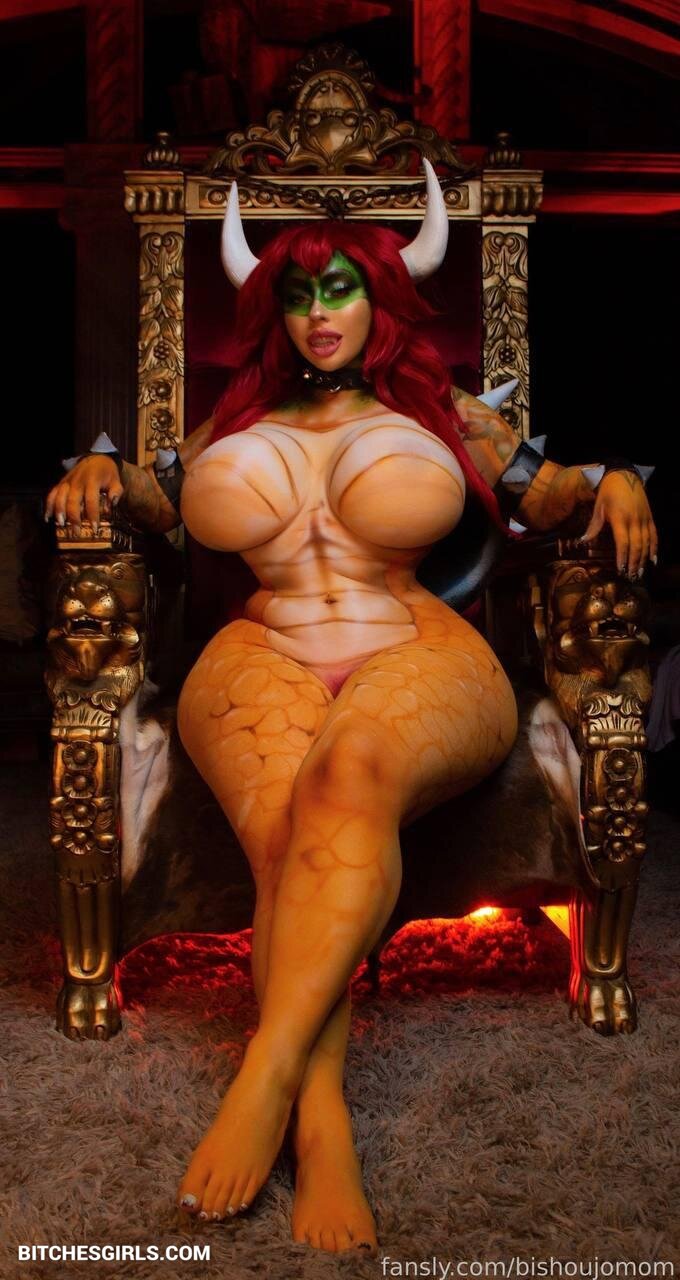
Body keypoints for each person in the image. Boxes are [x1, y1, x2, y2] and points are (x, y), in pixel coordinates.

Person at [45, 164, 657, 1256]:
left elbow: (548, 490)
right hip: (260, 643)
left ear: (380, 300)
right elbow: (153, 495)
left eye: (340, 290)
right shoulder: (234, 417)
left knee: (349, 772)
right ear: (273, 311)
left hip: (415, 640)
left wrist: (613, 475)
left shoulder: (442, 411)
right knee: (286, 834)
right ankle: (322, 1114)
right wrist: (97, 467)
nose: (319, 314)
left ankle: (267, 1069)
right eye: (298, 295)